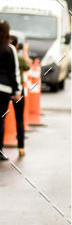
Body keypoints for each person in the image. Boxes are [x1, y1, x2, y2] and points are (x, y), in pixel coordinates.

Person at [0, 21, 20, 161]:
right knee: (0, 120)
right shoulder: (9, 49)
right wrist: (16, 90)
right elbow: (14, 72)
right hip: (4, 90)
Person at [9, 34, 31, 157]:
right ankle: (21, 147)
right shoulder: (20, 58)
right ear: (17, 46)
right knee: (19, 119)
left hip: (6, 89)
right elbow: (28, 66)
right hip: (18, 90)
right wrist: (25, 51)